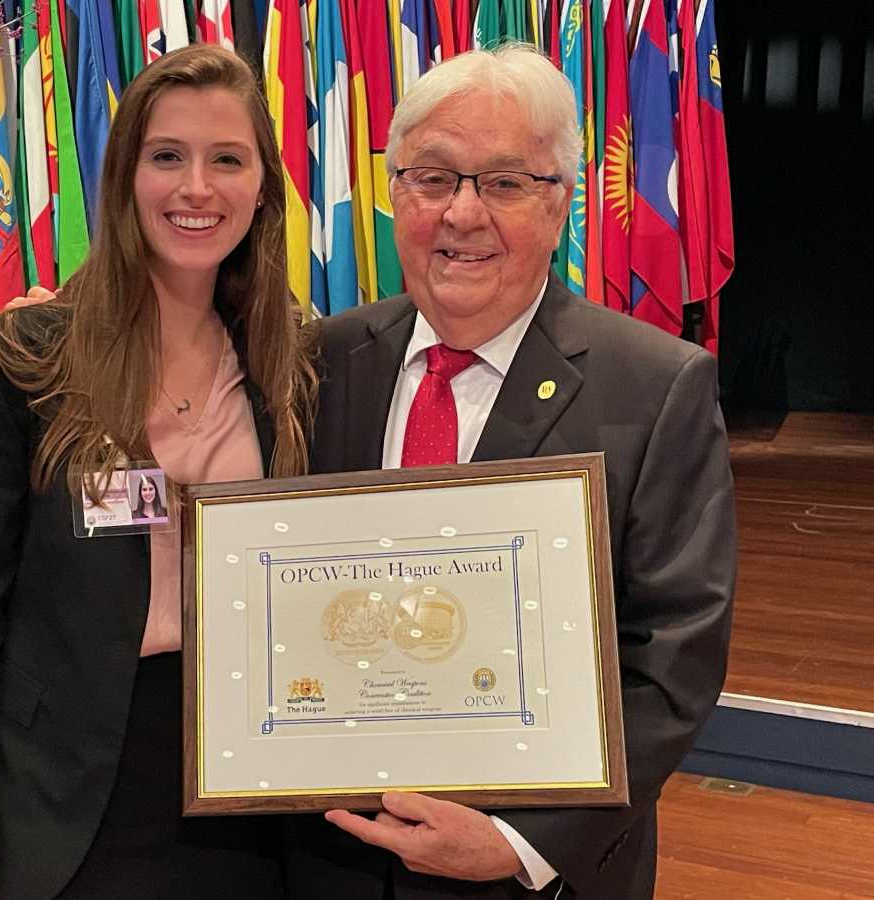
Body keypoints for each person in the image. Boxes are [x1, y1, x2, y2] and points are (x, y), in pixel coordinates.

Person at [289, 44, 737, 900]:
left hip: (530, 877)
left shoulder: (655, 385)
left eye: (504, 182)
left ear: (561, 202)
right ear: (393, 194)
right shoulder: (324, 361)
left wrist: (522, 844)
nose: (461, 214)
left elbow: (675, 656)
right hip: (331, 859)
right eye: (433, 177)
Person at [0, 45, 316, 900]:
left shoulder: (293, 358)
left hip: (252, 775)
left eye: (227, 160)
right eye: (166, 156)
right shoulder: (23, 357)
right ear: (125, 175)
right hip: (68, 782)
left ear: (262, 186)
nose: (196, 189)